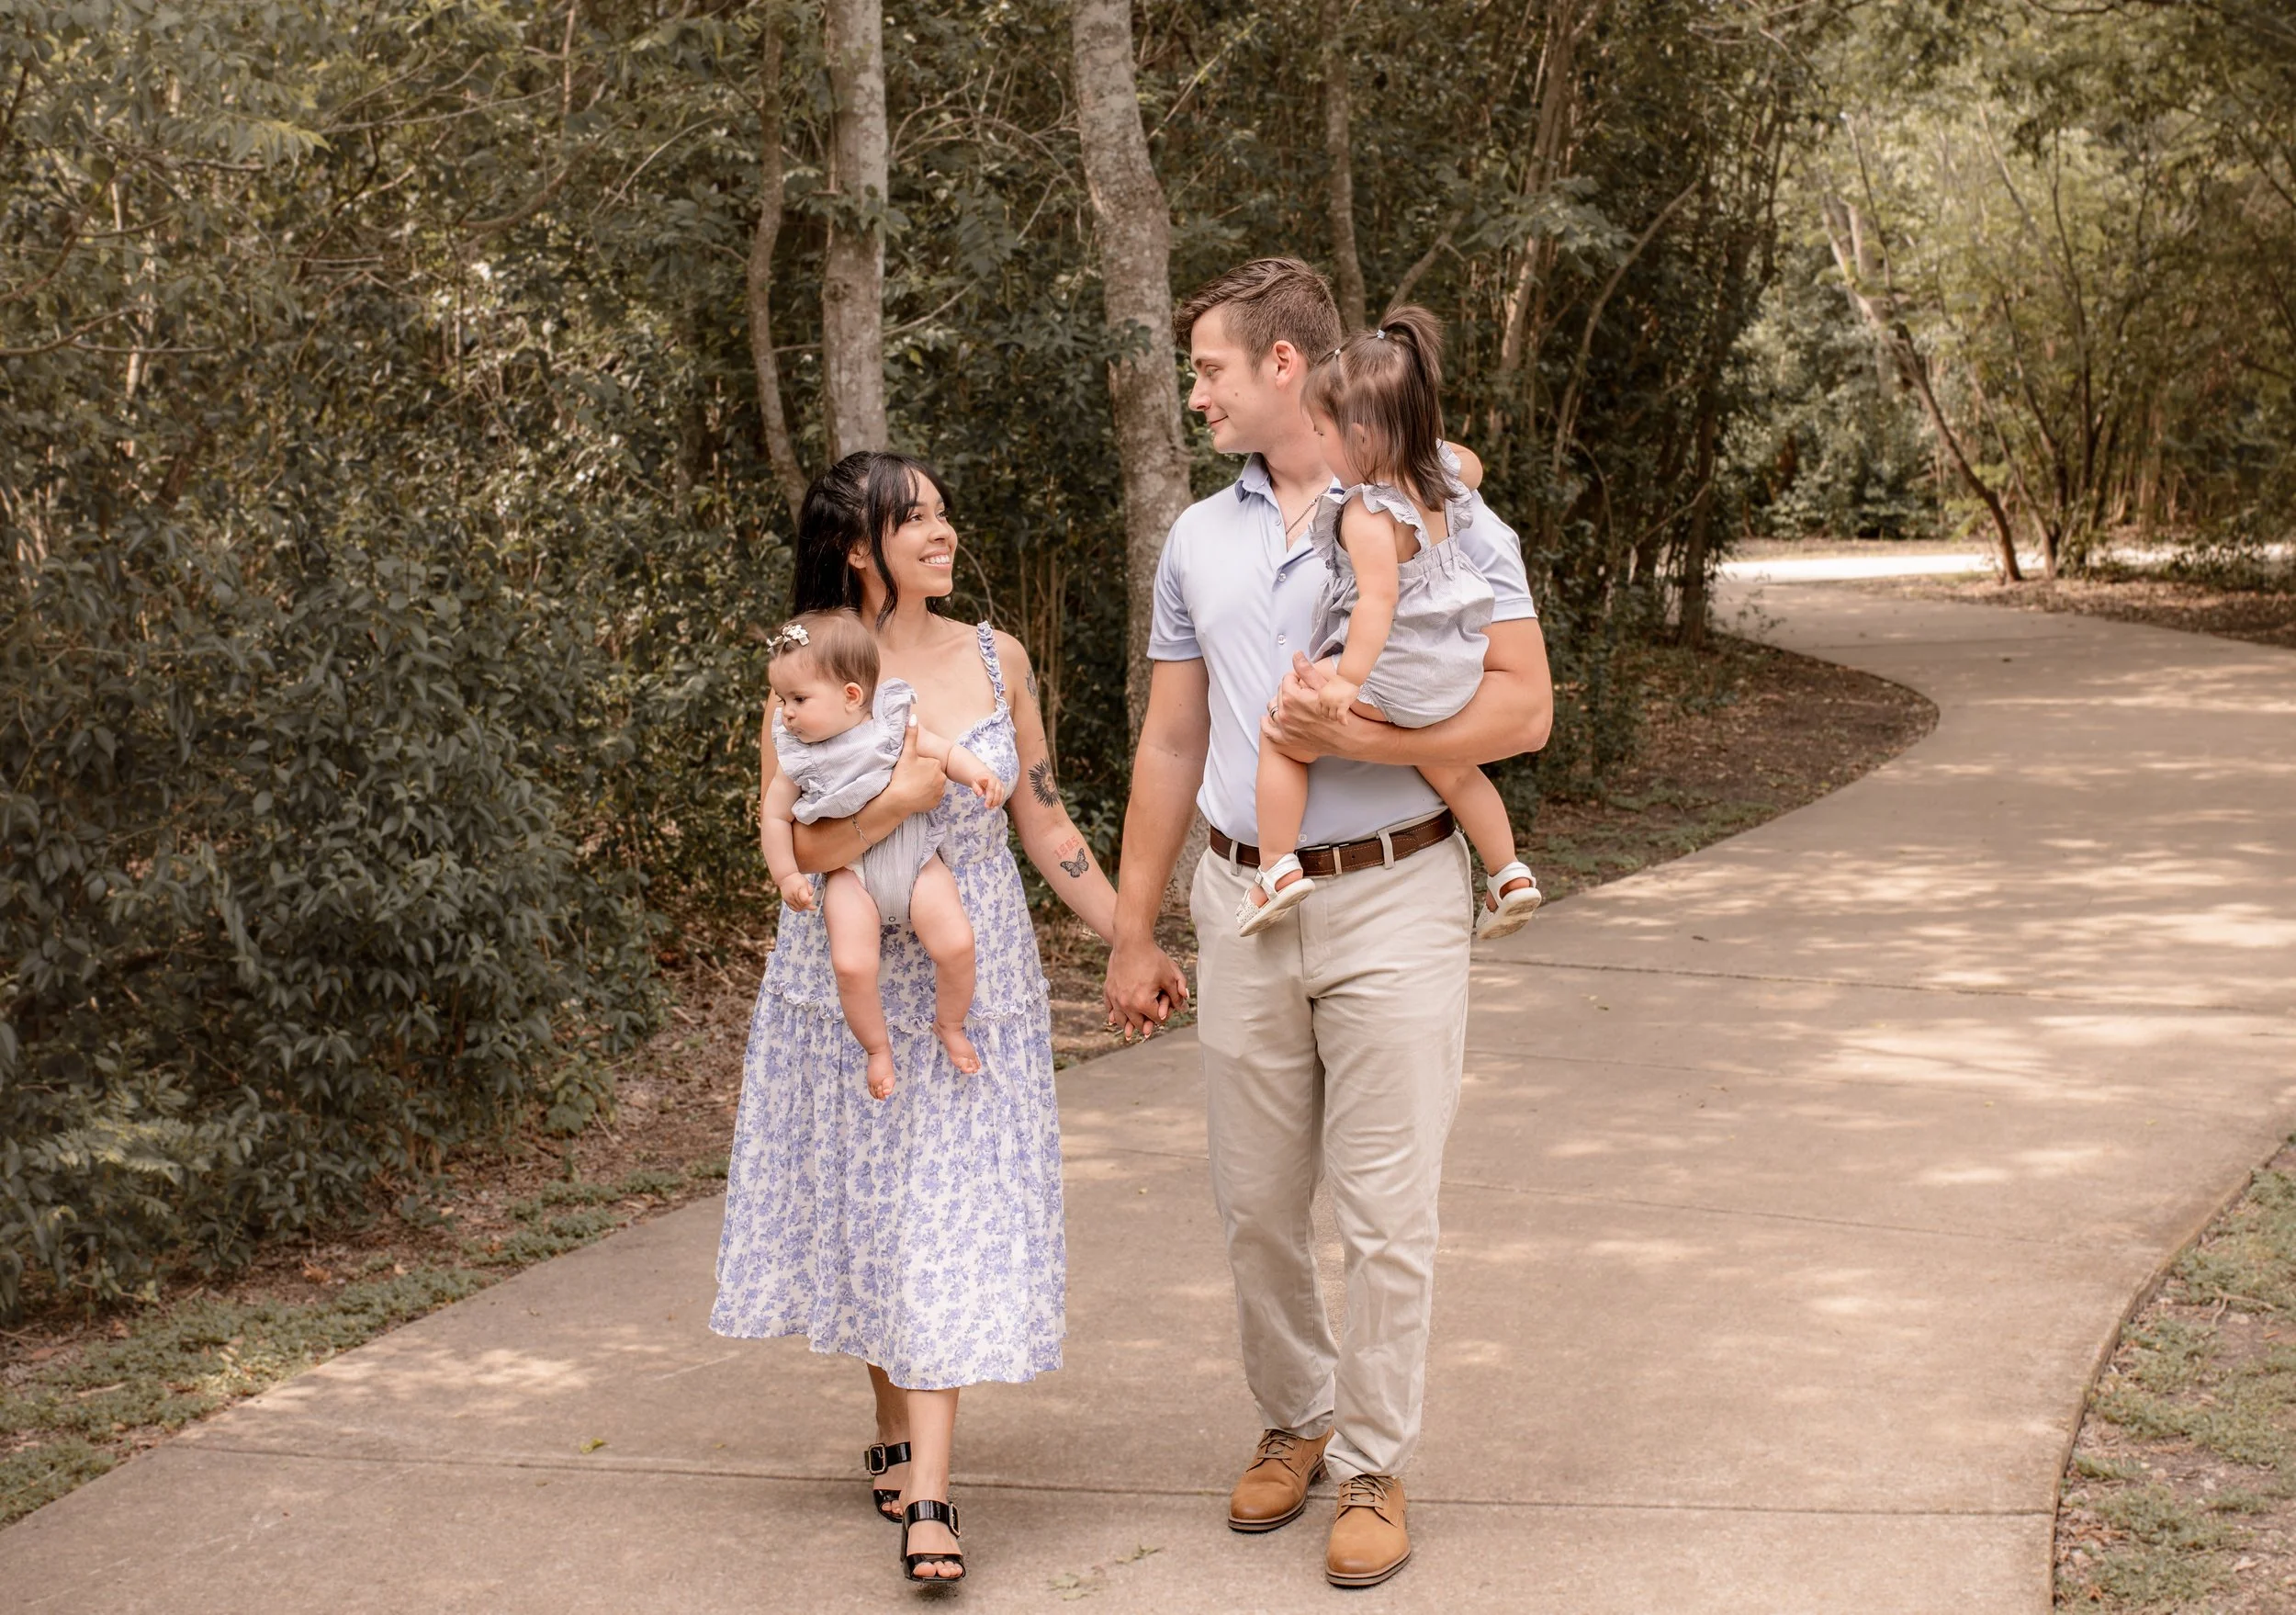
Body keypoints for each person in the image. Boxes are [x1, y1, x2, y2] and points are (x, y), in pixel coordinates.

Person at [1101, 259, 1553, 1589]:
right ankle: (1295, 1415)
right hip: (1246, 892)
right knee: (1255, 1201)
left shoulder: (1452, 513)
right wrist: (1135, 928)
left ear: (1284, 368)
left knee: (1388, 1204)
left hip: (1401, 886)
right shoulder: (1198, 539)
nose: (1198, 394)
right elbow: (1173, 738)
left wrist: (1373, 728)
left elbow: (1525, 710)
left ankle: (1370, 1459)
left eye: (1211, 370)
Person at [714, 451, 1121, 1587]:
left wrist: (1126, 932)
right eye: (918, 519)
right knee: (881, 1208)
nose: (944, 533)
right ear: (860, 547)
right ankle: (892, 1428)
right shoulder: (803, 664)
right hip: (840, 983)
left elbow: (1043, 820)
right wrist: (898, 799)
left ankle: (931, 1495)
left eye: (944, 513)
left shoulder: (999, 658)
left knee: (942, 1202)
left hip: (968, 973)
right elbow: (794, 846)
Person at [1239, 306, 1541, 941]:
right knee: (1454, 766)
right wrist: (1419, 444)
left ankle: (1275, 869)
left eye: (1323, 432)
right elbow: (1472, 462)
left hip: (1395, 675)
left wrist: (1346, 683)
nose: (1319, 446)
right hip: (1454, 671)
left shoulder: (1366, 515)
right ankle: (1509, 872)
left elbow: (1376, 604)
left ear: (1363, 436)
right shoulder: (1439, 480)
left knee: (1282, 727)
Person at [759, 607, 1007, 1097]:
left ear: (852, 696)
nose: (785, 711)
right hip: (849, 873)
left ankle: (951, 1023)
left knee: (956, 944)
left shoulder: (889, 724)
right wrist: (786, 874)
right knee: (852, 966)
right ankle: (877, 1048)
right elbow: (773, 816)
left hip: (916, 857)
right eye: (785, 698)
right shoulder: (798, 755)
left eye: (798, 699)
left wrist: (977, 771)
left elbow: (943, 750)